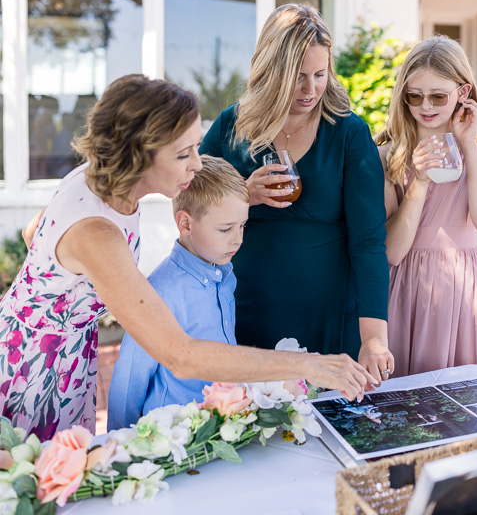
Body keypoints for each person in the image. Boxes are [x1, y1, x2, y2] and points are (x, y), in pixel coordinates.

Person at [0, 74, 374, 441]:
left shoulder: (94, 179)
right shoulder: (97, 235)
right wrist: (312, 365)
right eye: (183, 154)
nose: (196, 163)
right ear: (138, 155)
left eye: (196, 146)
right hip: (32, 371)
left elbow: (34, 232)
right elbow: (180, 354)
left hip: (66, 355)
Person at [200, 3, 393, 386]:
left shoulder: (348, 133)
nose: (311, 89)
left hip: (328, 314)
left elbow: (369, 242)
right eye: (298, 77)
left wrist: (373, 338)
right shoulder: (231, 126)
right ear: (272, 71)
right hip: (244, 309)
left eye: (320, 74)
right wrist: (242, 194)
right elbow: (187, 200)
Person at [375, 35, 477, 377]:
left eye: (438, 96)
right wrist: (419, 181)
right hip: (407, 290)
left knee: (466, 403)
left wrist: (469, 147)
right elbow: (391, 252)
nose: (425, 106)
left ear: (463, 93)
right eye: (414, 96)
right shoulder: (388, 157)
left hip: (466, 290)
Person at [107, 155, 249, 429]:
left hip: (217, 427)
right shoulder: (160, 292)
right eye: (225, 229)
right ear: (185, 224)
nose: (238, 238)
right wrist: (118, 441)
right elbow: (129, 377)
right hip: (173, 433)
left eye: (242, 226)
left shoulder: (224, 273)